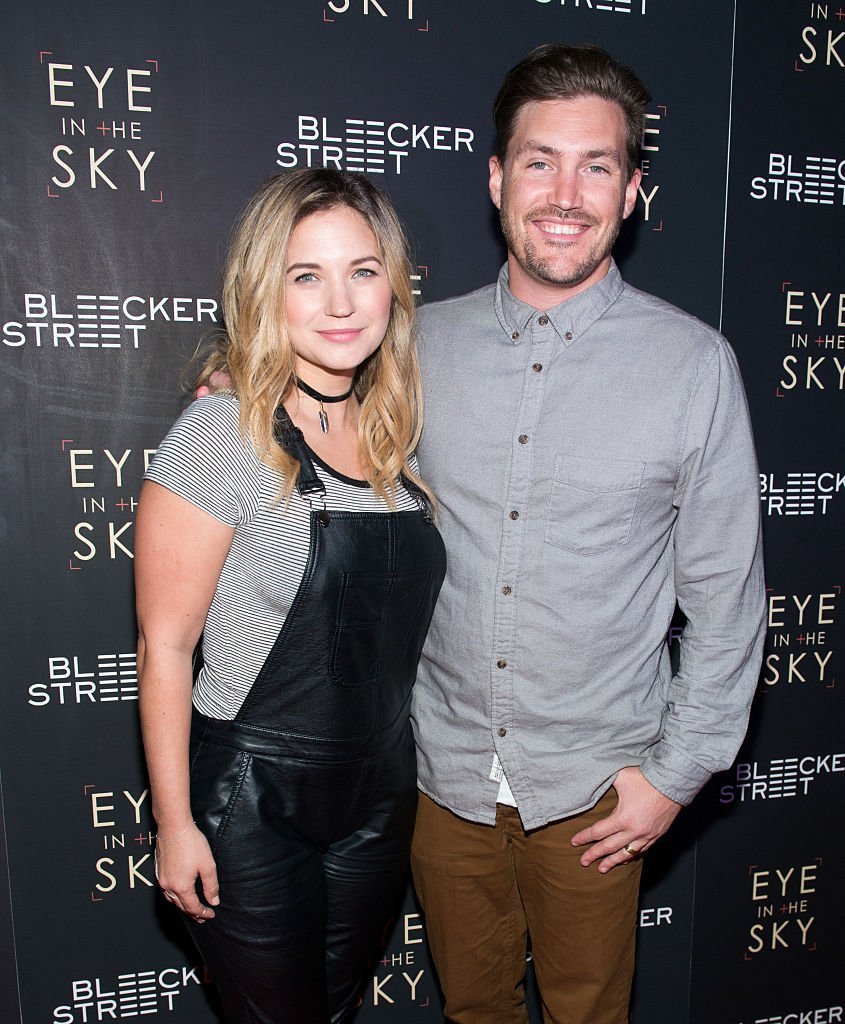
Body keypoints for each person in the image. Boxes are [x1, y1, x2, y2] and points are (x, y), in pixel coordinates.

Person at [406, 44, 766, 1024]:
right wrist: (231, 385)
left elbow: (727, 604)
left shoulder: (693, 366)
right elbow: (302, 418)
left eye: (595, 165)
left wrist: (672, 777)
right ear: (494, 177)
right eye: (538, 160)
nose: (564, 193)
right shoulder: (412, 345)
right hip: (441, 778)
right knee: (469, 1011)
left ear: (631, 188)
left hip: (596, 792)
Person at [135, 167, 446, 1024]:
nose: (340, 302)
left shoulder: (395, 434)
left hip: (379, 798)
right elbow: (165, 648)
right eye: (306, 275)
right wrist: (174, 825)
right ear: (262, 290)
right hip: (253, 803)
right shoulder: (220, 433)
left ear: (393, 285)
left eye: (362, 270)